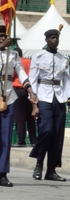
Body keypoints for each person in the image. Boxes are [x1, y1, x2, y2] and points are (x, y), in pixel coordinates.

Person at [29, 27, 70, 181]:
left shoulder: (63, 59)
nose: (55, 40)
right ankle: (39, 163)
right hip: (43, 97)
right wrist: (34, 104)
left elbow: (67, 82)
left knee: (57, 134)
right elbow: (33, 80)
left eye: (56, 38)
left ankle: (51, 170)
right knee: (46, 130)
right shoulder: (38, 57)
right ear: (46, 40)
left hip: (59, 97)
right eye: (52, 38)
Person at [0, 26, 36, 185]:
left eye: (4, 36)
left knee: (5, 138)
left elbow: (21, 73)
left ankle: (2, 173)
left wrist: (30, 91)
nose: (3, 38)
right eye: (0, 36)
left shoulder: (13, 54)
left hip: (8, 98)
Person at [12, 47, 36, 147]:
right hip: (30, 90)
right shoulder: (29, 61)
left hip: (18, 89)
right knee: (30, 117)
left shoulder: (15, 62)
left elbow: (12, 75)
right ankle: (33, 140)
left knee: (20, 117)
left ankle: (21, 140)